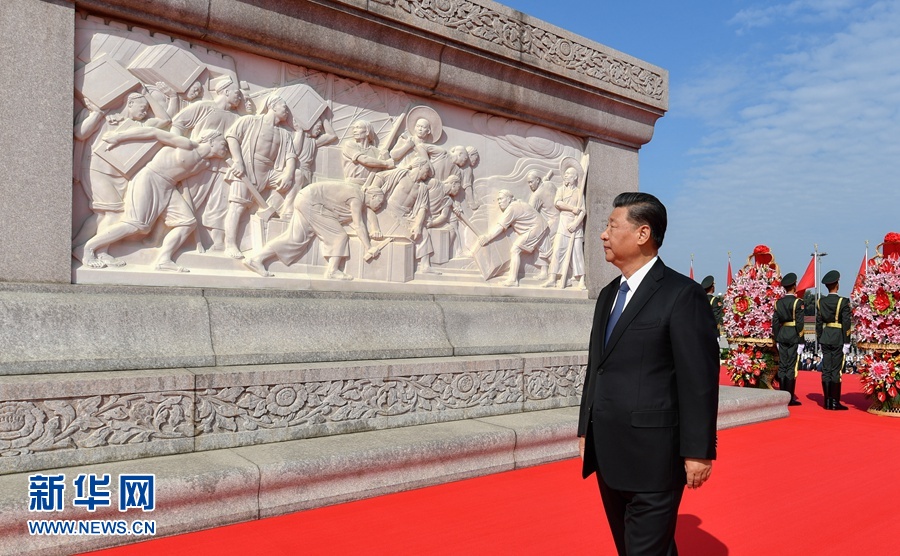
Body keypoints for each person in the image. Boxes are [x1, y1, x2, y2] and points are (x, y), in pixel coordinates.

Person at [577, 192, 719, 556]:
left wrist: (699, 451)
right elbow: (598, 366)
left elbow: (698, 380)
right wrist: (585, 429)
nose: (603, 234)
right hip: (609, 452)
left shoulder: (681, 294)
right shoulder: (608, 295)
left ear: (643, 234)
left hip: (655, 458)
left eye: (612, 226)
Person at [80, 128, 230, 272]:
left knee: (187, 223)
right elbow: (154, 132)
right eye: (223, 143)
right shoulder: (187, 145)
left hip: (168, 187)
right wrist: (119, 137)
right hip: (150, 178)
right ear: (211, 141)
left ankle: (164, 260)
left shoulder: (205, 164)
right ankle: (88, 248)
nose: (226, 148)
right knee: (136, 225)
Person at [223, 95, 298, 259]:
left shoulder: (284, 134)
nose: (287, 111)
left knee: (298, 175)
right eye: (284, 107)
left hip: (270, 171)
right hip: (248, 168)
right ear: (273, 106)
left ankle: (286, 213)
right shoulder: (250, 121)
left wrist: (288, 174)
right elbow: (232, 137)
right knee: (237, 206)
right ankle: (230, 245)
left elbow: (291, 156)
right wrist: (238, 162)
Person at [478, 189, 548, 287]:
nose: (499, 202)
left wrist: (487, 237)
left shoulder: (512, 208)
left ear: (509, 199)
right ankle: (544, 272)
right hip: (542, 226)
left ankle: (513, 280)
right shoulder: (518, 203)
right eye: (498, 200)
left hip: (535, 228)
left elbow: (500, 227)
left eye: (501, 199)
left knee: (515, 249)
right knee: (539, 247)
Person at [816, 270, 851, 410]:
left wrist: (820, 338)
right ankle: (835, 402)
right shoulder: (843, 302)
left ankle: (827, 401)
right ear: (837, 285)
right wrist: (847, 341)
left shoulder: (821, 302)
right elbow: (846, 322)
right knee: (836, 371)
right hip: (838, 337)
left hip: (826, 336)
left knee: (826, 370)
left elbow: (818, 323)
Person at [772, 272, 805, 406]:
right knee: (791, 367)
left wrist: (777, 337)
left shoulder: (778, 303)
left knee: (783, 366)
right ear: (794, 286)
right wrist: (801, 340)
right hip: (793, 335)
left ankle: (782, 396)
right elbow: (800, 323)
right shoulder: (798, 302)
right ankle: (789, 397)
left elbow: (775, 323)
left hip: (782, 335)